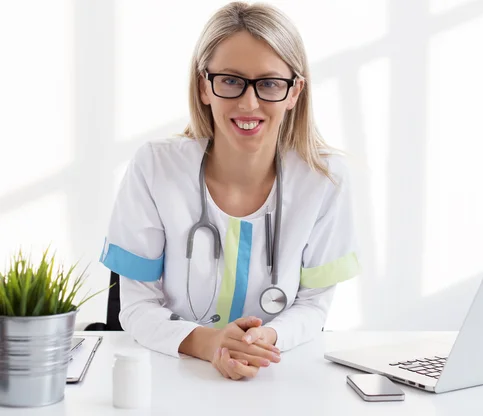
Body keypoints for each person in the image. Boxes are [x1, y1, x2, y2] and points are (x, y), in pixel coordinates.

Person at [99, 1, 360, 380]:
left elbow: (312, 306)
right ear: (205, 86)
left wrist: (263, 339)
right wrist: (210, 343)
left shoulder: (325, 179)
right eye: (231, 80)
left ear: (294, 92)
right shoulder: (155, 167)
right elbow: (137, 306)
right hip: (171, 376)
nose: (249, 102)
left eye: (270, 83)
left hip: (274, 377)